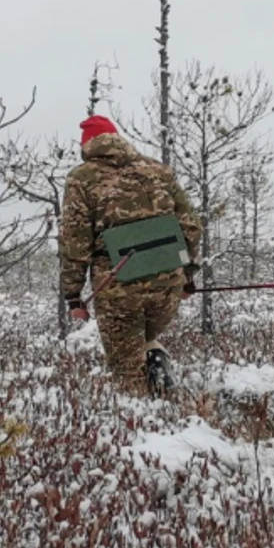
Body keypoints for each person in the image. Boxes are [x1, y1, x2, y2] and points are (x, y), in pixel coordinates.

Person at [60, 115, 202, 395]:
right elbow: (191, 226)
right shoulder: (159, 170)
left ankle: (147, 425)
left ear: (87, 145)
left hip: (118, 287)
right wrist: (186, 275)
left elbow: (75, 241)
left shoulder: (81, 178)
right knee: (148, 337)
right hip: (167, 281)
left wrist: (73, 295)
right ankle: (158, 371)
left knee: (127, 371)